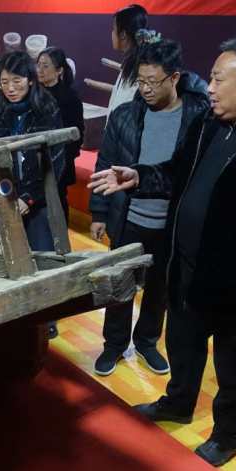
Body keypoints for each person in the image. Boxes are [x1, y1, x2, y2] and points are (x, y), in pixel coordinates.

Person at [88, 37, 236, 466]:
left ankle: (228, 434)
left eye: (219, 79)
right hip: (186, 266)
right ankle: (178, 403)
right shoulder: (210, 123)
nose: (210, 87)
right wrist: (139, 176)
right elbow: (177, 173)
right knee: (182, 344)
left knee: (235, 364)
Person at [89, 37, 209, 377]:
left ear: (175, 78)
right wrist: (99, 212)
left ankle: (147, 341)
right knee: (120, 284)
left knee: (160, 289)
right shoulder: (125, 116)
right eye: (140, 81)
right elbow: (105, 164)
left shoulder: (197, 118)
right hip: (127, 218)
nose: (145, 89)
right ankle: (114, 344)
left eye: (153, 82)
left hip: (171, 224)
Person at [0, 52, 65, 336]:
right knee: (10, 259)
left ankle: (46, 320)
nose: (10, 88)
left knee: (43, 257)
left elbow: (55, 161)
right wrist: (6, 196)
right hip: (6, 197)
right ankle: (15, 318)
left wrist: (28, 198)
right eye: (4, 82)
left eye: (16, 81)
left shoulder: (47, 108)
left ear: (30, 80)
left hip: (39, 200)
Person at [37, 46, 84, 220]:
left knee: (57, 204)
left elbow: (77, 133)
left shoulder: (70, 98)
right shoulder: (33, 93)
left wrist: (62, 158)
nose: (40, 70)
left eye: (45, 66)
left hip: (59, 162)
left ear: (59, 70)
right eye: (38, 65)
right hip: (34, 160)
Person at [84, 4, 149, 114]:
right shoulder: (130, 63)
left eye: (114, 29)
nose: (112, 33)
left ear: (123, 34)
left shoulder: (142, 70)